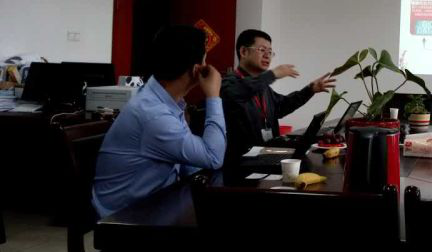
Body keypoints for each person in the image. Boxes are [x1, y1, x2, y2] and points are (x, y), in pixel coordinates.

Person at [92, 26, 226, 218]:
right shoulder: (154, 115)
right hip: (127, 217)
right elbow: (213, 157)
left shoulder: (162, 99)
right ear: (196, 69)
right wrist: (213, 96)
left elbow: (192, 164)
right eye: (205, 60)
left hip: (156, 200)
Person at [221, 29, 335, 163]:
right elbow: (242, 91)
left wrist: (310, 90)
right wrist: (273, 74)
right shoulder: (229, 83)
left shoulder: (263, 88)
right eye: (262, 50)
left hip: (266, 156)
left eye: (270, 52)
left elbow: (281, 106)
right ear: (244, 52)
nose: (267, 56)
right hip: (241, 162)